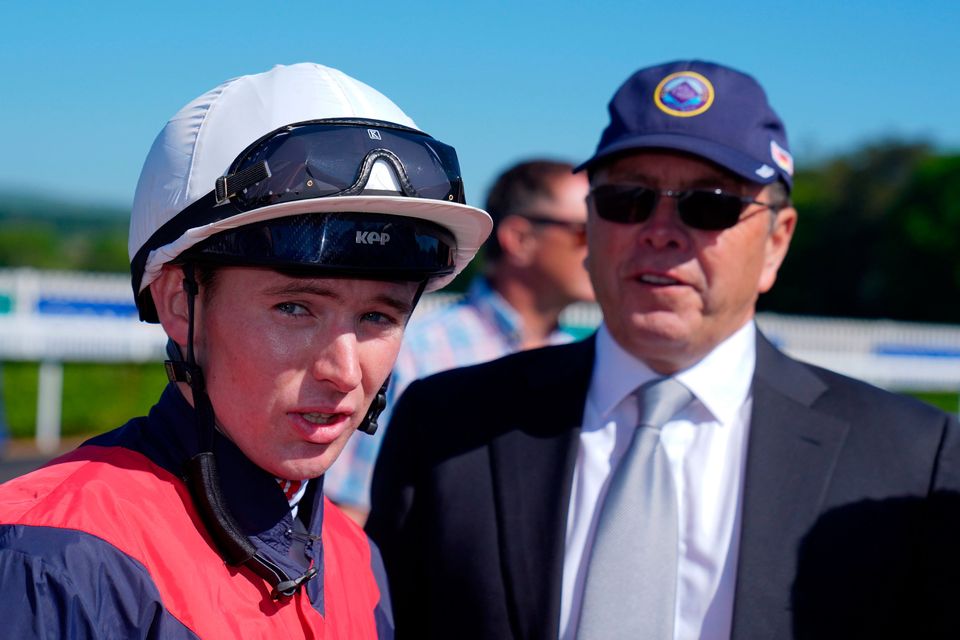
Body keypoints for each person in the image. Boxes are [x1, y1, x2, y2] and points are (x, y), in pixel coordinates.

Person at [365, 60, 960, 639]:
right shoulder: (448, 423)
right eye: (628, 198)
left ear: (777, 242)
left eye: (711, 204)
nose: (660, 230)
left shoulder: (911, 458)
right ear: (591, 226)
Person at [0, 62, 491, 638]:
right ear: (181, 305)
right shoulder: (52, 557)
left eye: (377, 317)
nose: (345, 372)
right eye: (295, 308)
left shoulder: (357, 557)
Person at [324, 159, 594, 523]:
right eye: (586, 231)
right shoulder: (414, 353)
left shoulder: (588, 365)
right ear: (520, 239)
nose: (605, 245)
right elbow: (349, 514)